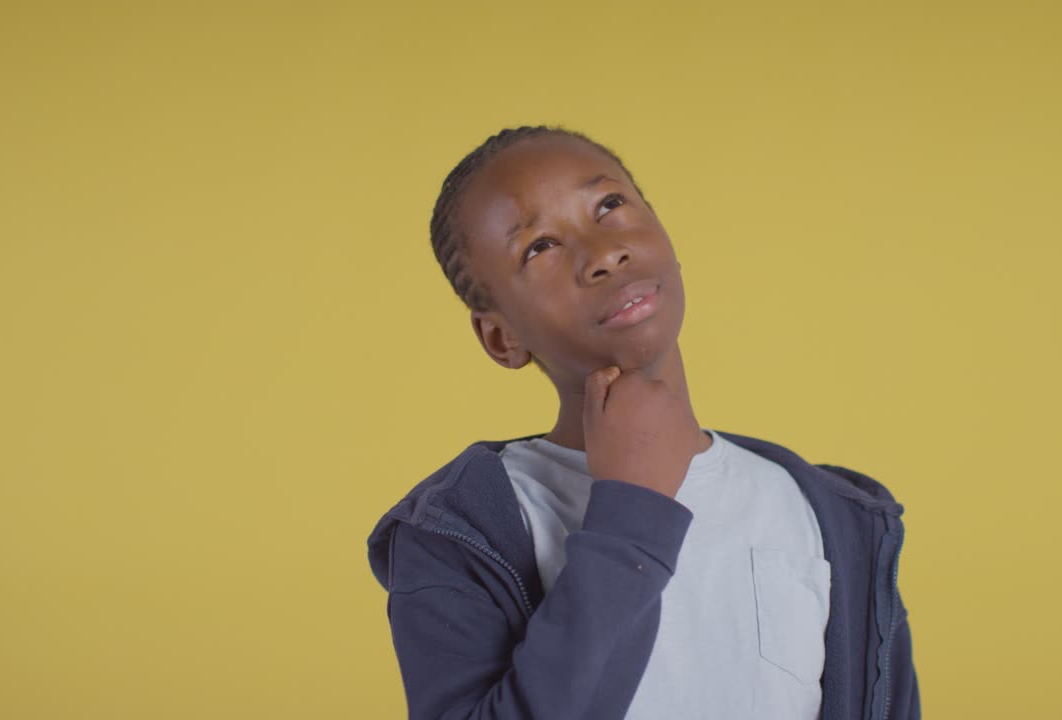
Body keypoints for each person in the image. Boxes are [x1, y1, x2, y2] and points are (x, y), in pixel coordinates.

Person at [366, 125, 921, 719]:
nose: (604, 253)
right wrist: (631, 510)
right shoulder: (459, 533)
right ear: (501, 337)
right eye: (540, 247)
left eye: (610, 206)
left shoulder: (838, 519)